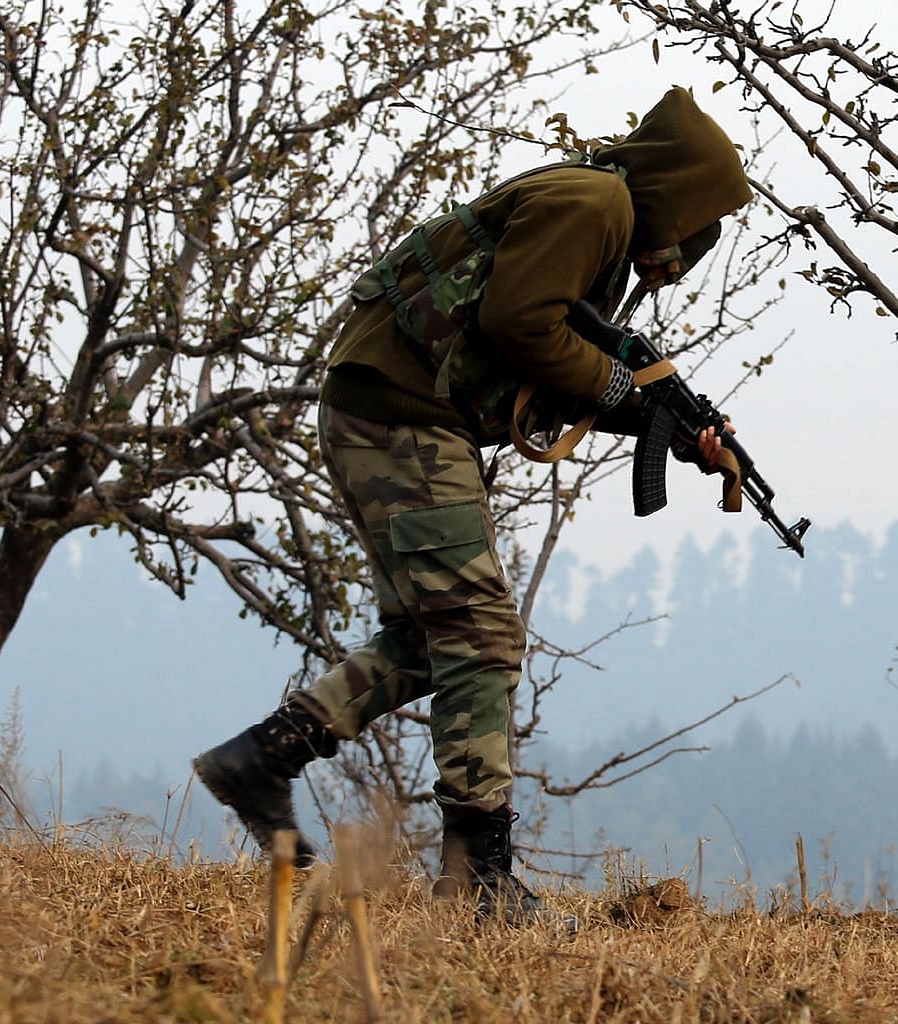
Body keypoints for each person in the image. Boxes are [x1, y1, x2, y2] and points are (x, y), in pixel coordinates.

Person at [194, 86, 752, 924]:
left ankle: (260, 760)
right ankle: (478, 881)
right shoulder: (597, 203)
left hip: (385, 408)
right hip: (401, 413)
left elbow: (541, 352)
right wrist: (625, 395)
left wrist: (664, 425)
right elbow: (520, 322)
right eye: (697, 224)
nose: (687, 250)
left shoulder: (593, 213)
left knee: (431, 640)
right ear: (680, 196)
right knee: (482, 633)